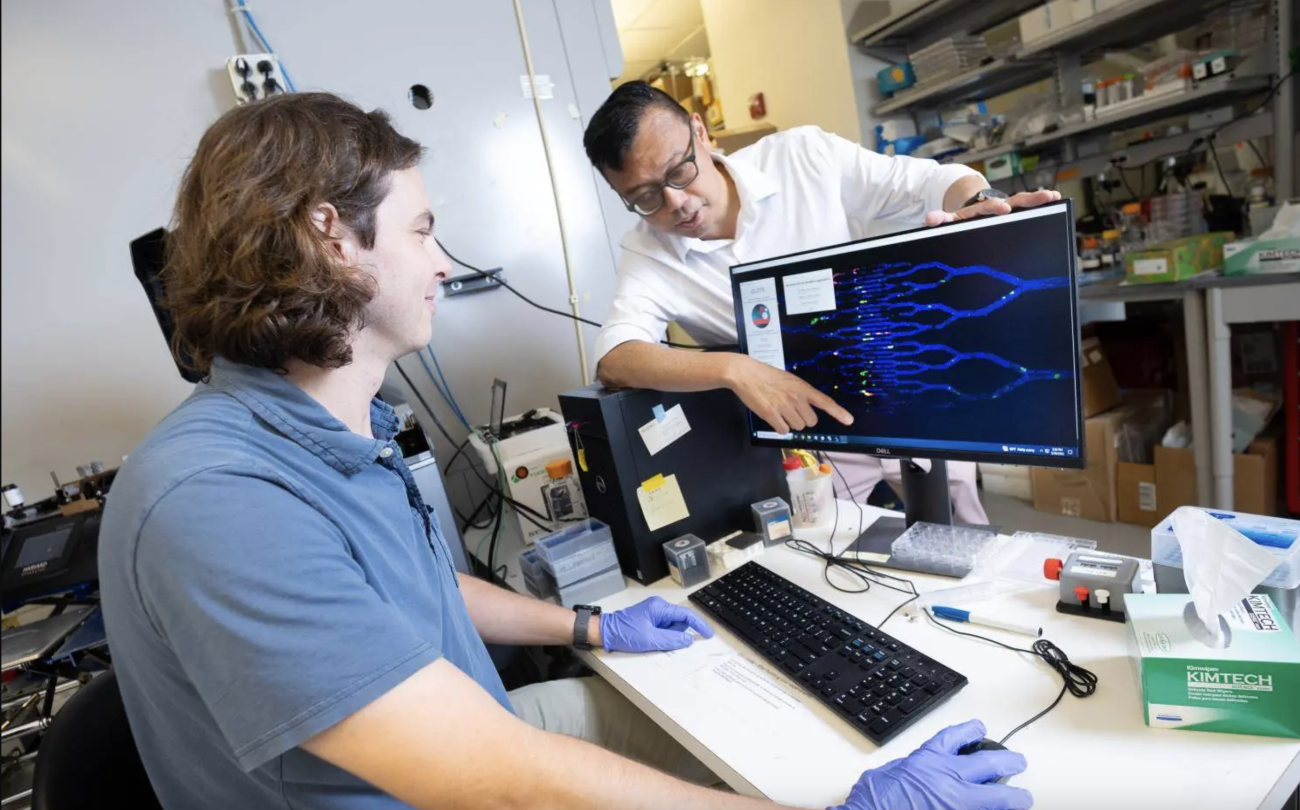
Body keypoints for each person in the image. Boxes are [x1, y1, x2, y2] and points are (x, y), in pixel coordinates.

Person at [98, 91, 1032, 810]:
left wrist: (591, 630)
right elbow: (495, 778)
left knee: (770, 733)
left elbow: (411, 591)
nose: (445, 265)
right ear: (331, 237)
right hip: (458, 776)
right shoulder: (222, 496)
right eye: (424, 231)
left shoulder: (339, 437)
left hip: (475, 734)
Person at [582, 82, 1062, 523]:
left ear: (700, 133)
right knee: (832, 554)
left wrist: (985, 204)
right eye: (645, 196)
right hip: (806, 431)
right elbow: (615, 357)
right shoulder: (649, 252)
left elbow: (930, 181)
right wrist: (735, 369)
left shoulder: (801, 156)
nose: (675, 203)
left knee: (955, 529)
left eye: (679, 172)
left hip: (904, 381)